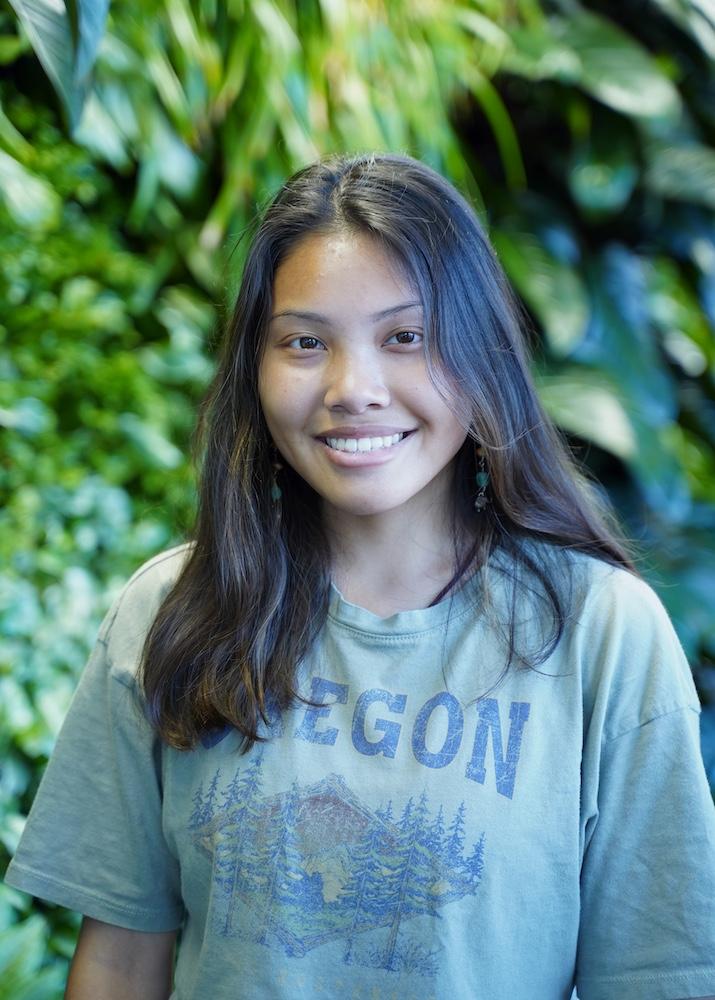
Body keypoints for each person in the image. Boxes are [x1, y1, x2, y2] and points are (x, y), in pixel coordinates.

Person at [5, 153, 715, 1000]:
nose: (353, 389)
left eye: (404, 338)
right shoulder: (169, 614)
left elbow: (655, 976)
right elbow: (120, 965)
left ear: (480, 354)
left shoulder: (601, 632)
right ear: (254, 371)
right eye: (304, 343)